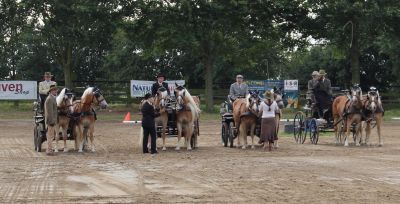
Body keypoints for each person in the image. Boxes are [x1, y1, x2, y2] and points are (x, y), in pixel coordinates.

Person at [44, 85, 58, 155]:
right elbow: (49, 112)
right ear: (51, 91)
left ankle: (50, 149)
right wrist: (51, 121)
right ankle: (49, 150)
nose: (56, 92)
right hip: (51, 121)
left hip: (52, 120)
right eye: (55, 90)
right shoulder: (50, 99)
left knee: (51, 135)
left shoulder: (52, 98)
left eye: (56, 90)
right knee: (50, 135)